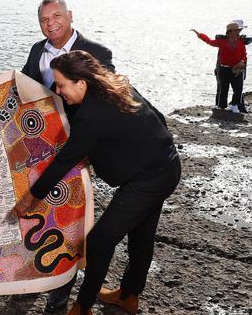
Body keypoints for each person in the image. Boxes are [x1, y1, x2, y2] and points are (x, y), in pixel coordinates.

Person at [0, 0, 114, 312]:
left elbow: (107, 103)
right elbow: (21, 84)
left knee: (70, 226)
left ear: (70, 16)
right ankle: (30, 283)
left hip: (77, 155)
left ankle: (58, 300)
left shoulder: (99, 54)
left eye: (57, 16)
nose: (51, 23)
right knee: (34, 219)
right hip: (40, 151)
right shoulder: (37, 50)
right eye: (45, 19)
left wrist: (89, 148)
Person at [11, 51, 181, 315]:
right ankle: (128, 297)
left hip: (151, 178)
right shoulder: (117, 86)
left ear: (81, 83)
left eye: (62, 84)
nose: (58, 90)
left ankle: (82, 308)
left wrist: (30, 197)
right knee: (141, 236)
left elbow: (64, 160)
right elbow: (159, 118)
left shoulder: (91, 114)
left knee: (100, 241)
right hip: (167, 165)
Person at [191, 19, 248, 113]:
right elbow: (209, 41)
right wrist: (200, 35)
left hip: (237, 69)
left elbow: (243, 54)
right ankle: (221, 107)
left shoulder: (241, 41)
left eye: (238, 30)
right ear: (231, 31)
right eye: (237, 30)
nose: (238, 32)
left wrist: (242, 61)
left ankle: (234, 105)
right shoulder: (222, 41)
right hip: (223, 69)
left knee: (238, 89)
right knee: (223, 89)